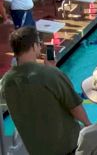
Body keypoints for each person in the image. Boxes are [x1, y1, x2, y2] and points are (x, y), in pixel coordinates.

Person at [0, 27, 91, 155]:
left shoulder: (6, 81)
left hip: (36, 149)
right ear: (33, 46)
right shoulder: (50, 74)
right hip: (67, 147)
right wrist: (88, 124)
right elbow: (74, 105)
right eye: (39, 44)